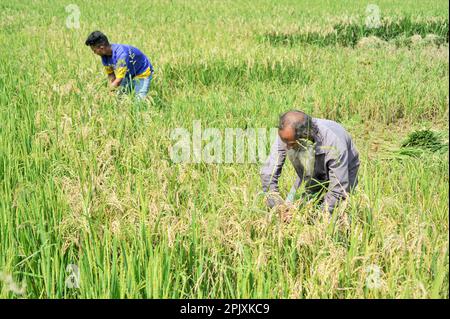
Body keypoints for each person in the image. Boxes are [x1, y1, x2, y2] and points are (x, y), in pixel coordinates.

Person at [260, 110, 360, 220]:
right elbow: (268, 174)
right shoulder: (287, 135)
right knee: (311, 197)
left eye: (292, 144)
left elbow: (338, 190)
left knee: (338, 208)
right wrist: (279, 207)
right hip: (312, 160)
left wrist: (313, 216)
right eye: (285, 143)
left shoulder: (334, 144)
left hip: (345, 166)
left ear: (306, 136)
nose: (287, 148)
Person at [85, 31, 154, 100]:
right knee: (119, 98)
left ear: (102, 48)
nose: (94, 53)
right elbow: (111, 75)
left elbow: (118, 80)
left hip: (142, 72)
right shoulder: (104, 56)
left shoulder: (122, 54)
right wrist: (111, 91)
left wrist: (105, 93)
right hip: (127, 74)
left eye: (94, 50)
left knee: (139, 100)